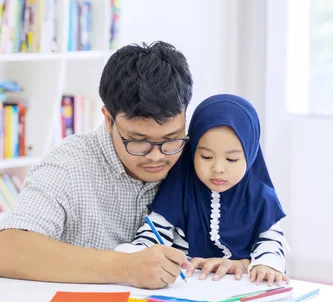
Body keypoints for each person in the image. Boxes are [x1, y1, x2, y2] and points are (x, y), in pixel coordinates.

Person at [0, 41, 200, 289]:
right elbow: (7, 251)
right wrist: (126, 266)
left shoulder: (200, 161)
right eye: (138, 141)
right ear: (108, 119)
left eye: (170, 139)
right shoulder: (69, 164)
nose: (156, 156)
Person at [116, 94, 289, 286]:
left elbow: (272, 240)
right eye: (206, 157)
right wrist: (132, 256)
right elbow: (154, 233)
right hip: (187, 286)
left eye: (232, 159)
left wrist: (267, 265)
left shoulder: (260, 196)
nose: (218, 169)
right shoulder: (179, 188)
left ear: (250, 154)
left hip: (240, 288)